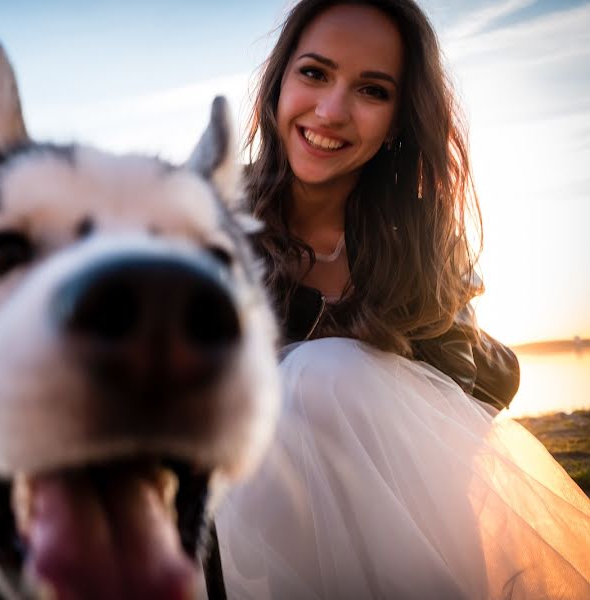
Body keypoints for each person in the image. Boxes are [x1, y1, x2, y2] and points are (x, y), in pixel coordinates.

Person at [214, 1, 590, 598]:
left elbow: (455, 414)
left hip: (405, 521)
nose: (332, 111)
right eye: (314, 73)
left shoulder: (417, 234)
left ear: (398, 118)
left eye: (372, 90)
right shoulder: (211, 225)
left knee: (326, 371)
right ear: (278, 82)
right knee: (308, 376)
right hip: (249, 531)